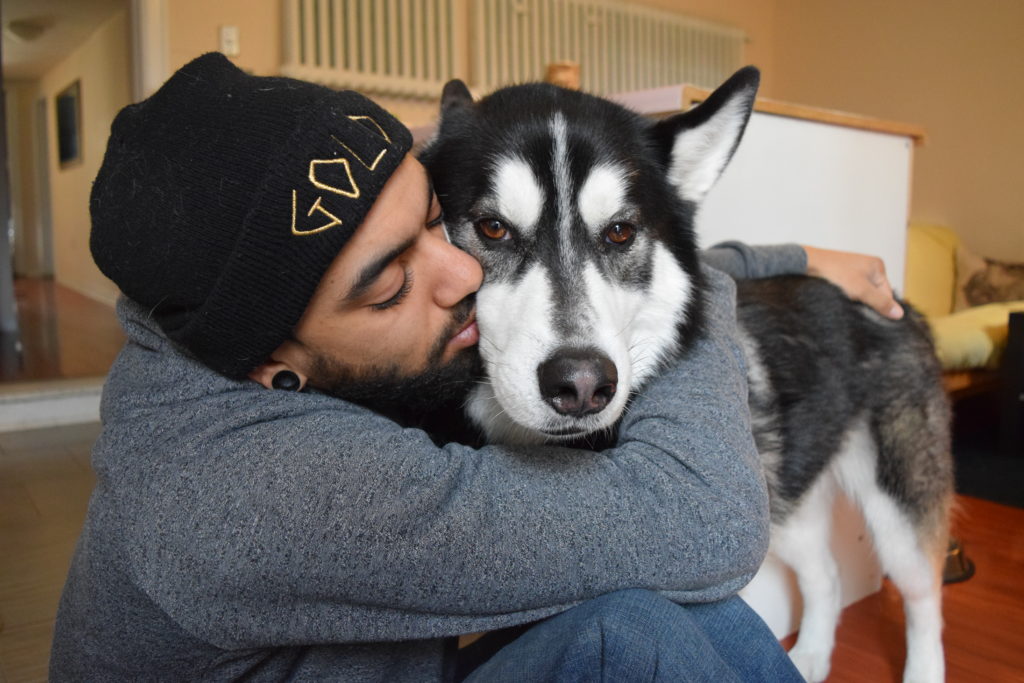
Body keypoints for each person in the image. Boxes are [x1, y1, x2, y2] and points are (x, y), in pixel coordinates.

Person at [50, 53, 902, 682]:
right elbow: (706, 523)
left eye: (437, 222)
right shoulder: (252, 488)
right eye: (391, 285)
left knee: (640, 619)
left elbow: (555, 206)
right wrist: (698, 286)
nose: (459, 276)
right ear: (277, 364)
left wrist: (779, 255)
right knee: (644, 626)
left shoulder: (244, 331)